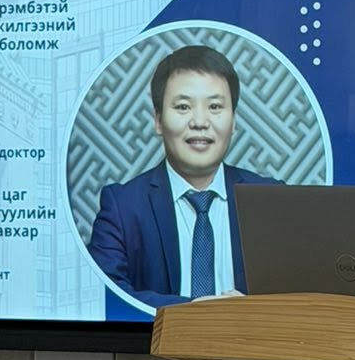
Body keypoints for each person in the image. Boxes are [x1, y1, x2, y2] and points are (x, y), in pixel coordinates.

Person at [87, 44, 281, 309]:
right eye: (183, 107)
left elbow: (297, 297)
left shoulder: (270, 200)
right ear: (158, 121)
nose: (200, 122)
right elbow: (106, 294)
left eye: (215, 106)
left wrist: (249, 314)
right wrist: (198, 311)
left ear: (234, 120)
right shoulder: (123, 206)